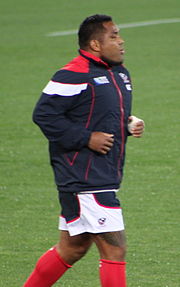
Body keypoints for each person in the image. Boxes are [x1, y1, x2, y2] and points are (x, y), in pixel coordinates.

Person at [23, 14, 144, 287]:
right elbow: (44, 115)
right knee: (115, 249)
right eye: (113, 35)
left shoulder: (118, 73)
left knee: (72, 248)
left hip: (101, 173)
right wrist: (86, 138)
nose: (121, 40)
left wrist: (128, 124)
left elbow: (99, 115)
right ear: (95, 44)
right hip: (84, 176)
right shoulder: (73, 74)